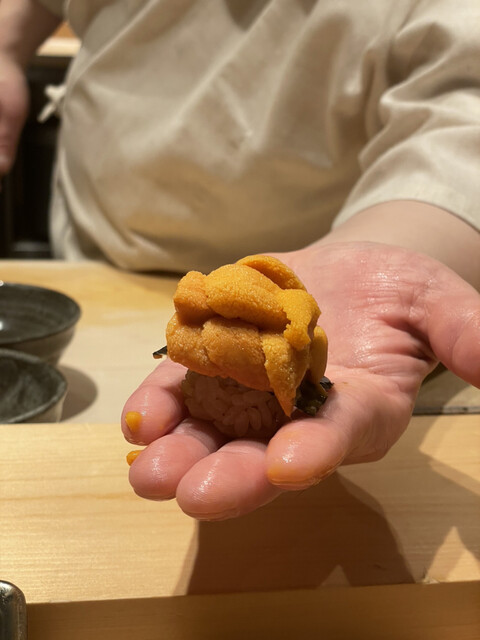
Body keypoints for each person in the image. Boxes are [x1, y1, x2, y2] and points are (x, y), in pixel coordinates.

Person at [1, 0, 479, 520]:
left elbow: (464, 106)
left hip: (345, 252)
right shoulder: (193, 326)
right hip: (97, 266)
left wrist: (392, 252)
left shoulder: (296, 330)